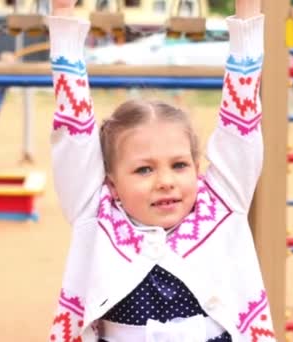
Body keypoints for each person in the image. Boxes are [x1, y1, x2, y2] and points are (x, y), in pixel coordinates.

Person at [47, 0, 274, 339]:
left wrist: (247, 15)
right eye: (143, 170)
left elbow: (240, 121)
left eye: (179, 165)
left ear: (197, 167)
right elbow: (73, 131)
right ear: (111, 182)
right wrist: (63, 17)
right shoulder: (96, 215)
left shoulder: (223, 204)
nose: (166, 182)